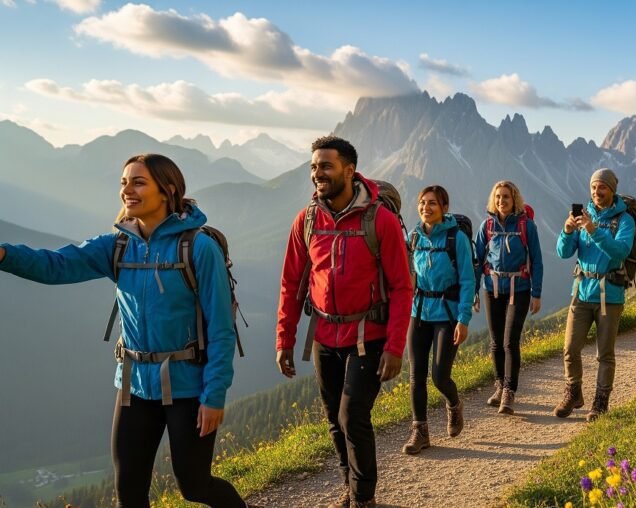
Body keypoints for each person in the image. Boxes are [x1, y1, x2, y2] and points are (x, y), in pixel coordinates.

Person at [0, 154, 249, 507]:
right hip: (133, 385)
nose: (127, 191)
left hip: (188, 387)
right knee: (128, 492)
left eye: (138, 182)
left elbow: (222, 328)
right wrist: (4, 255)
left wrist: (214, 395)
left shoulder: (198, 248)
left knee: (194, 486)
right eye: (123, 183)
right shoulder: (116, 245)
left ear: (168, 190)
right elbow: (54, 265)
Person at [275, 136, 411, 508]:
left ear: (349, 171)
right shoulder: (306, 220)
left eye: (326, 166)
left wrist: (396, 348)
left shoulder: (379, 220)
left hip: (369, 335)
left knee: (352, 416)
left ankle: (363, 497)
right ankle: (348, 487)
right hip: (323, 334)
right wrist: (284, 340)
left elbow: (402, 287)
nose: (318, 174)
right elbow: (291, 283)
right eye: (314, 167)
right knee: (334, 420)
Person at [554, 168, 635, 422]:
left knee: (605, 353)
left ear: (612, 190)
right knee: (570, 348)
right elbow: (563, 253)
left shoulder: (624, 221)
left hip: (609, 294)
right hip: (581, 291)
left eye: (602, 187)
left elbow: (620, 251)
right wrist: (567, 232)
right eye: (593, 187)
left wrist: (593, 230)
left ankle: (601, 402)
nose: (597, 192)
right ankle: (573, 391)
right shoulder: (584, 215)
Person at [401, 185, 475, 455]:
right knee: (415, 375)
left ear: (444, 208)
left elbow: (468, 279)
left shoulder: (457, 239)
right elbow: (407, 277)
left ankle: (454, 405)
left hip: (448, 313)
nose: (426, 207)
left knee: (440, 375)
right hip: (419, 312)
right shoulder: (414, 237)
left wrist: (463, 318)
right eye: (422, 202)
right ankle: (420, 431)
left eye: (432, 203)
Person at [473, 180, 543, 415]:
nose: (501, 201)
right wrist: (473, 291)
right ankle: (499, 384)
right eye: (498, 197)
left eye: (506, 197)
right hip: (491, 287)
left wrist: (536, 293)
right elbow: (477, 260)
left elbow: (537, 260)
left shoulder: (526, 226)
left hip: (519, 288)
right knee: (495, 342)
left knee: (510, 341)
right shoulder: (487, 226)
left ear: (515, 200)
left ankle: (509, 392)